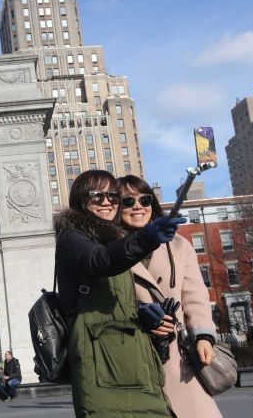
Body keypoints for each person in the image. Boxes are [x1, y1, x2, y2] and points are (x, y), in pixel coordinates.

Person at [54, 169, 182, 417]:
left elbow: (115, 298)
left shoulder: (112, 240)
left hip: (134, 360)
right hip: (102, 363)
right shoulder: (72, 237)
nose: (107, 202)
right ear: (81, 199)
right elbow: (100, 261)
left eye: (113, 196)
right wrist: (145, 238)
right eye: (97, 196)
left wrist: (143, 314)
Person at [117, 175, 222, 417]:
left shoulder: (178, 245)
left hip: (179, 358)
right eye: (128, 201)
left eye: (144, 199)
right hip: (134, 356)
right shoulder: (111, 251)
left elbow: (195, 295)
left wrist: (204, 336)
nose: (137, 207)